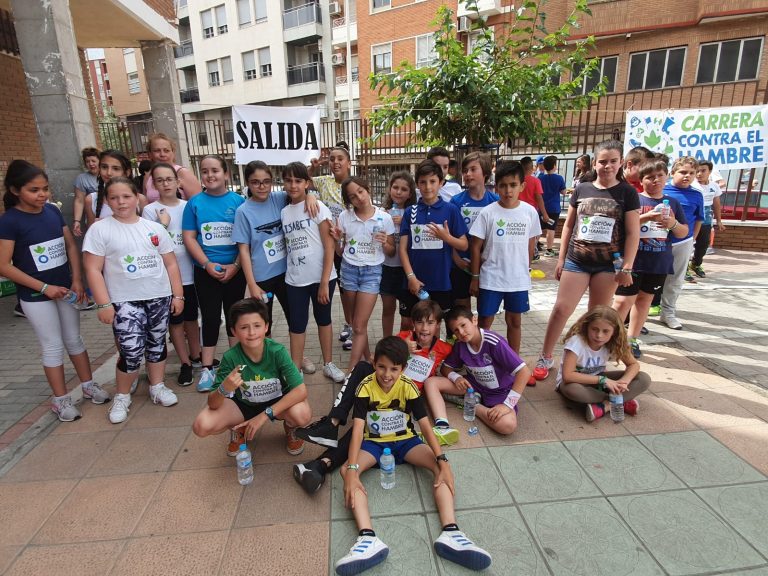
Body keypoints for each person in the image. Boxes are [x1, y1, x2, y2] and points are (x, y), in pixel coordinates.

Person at [335, 336, 492, 575]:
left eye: (394, 369)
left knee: (441, 470)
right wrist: (354, 469)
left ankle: (451, 533)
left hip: (406, 442)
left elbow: (425, 426)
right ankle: (367, 540)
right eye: (381, 367)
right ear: (374, 363)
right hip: (374, 444)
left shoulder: (408, 386)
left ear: (403, 369)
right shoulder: (365, 386)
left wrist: (443, 460)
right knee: (347, 471)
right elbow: (357, 429)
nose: (387, 375)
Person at [292, 299, 454, 494]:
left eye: (430, 323)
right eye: (420, 322)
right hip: (381, 389)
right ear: (413, 323)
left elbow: (449, 371)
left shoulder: (444, 349)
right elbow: (378, 359)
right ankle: (332, 424)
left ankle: (322, 462)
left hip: (403, 401)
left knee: (365, 428)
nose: (424, 328)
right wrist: (403, 347)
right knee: (362, 370)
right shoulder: (403, 337)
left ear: (437, 326)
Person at [0, 160, 109, 422]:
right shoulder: (10, 221)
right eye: (34, 190)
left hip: (66, 290)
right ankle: (60, 400)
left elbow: (70, 245)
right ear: (16, 190)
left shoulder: (51, 211)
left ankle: (88, 385)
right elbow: (3, 265)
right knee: (52, 345)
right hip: (36, 296)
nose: (42, 195)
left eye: (45, 188)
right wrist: (44, 288)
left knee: (74, 339)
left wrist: (77, 279)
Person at [534, 140, 640, 380]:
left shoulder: (627, 193)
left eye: (613, 161)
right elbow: (569, 224)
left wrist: (627, 267)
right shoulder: (582, 189)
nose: (607, 166)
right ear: (595, 162)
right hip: (577, 260)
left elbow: (634, 233)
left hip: (607, 264)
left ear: (620, 162)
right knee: (561, 309)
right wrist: (560, 259)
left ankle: (587, 362)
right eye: (602, 161)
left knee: (597, 316)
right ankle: (546, 355)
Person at [83, 177, 184, 424]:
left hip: (158, 297)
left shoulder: (154, 228)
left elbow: (170, 263)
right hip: (124, 301)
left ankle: (157, 386)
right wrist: (104, 303)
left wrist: (178, 294)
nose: (121, 202)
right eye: (114, 197)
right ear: (107, 200)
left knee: (157, 343)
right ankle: (122, 395)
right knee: (130, 349)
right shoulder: (99, 229)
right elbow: (93, 269)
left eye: (126, 196)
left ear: (137, 197)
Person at [192, 298, 312, 456]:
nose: (252, 333)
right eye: (244, 327)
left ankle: (290, 427)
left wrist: (264, 416)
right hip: (244, 405)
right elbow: (213, 404)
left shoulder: (277, 352)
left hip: (277, 403)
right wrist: (224, 388)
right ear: (234, 331)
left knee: (302, 415)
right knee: (202, 425)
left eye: (257, 326)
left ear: (266, 327)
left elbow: (300, 391)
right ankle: (239, 429)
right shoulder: (231, 358)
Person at [233, 160, 319, 374]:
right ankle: (268, 362)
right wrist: (251, 284)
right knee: (264, 322)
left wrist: (310, 195)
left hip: (288, 274)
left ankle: (298, 358)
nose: (261, 187)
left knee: (295, 319)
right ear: (248, 184)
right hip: (262, 278)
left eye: (266, 182)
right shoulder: (243, 211)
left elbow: (300, 191)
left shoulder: (279, 198)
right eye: (255, 182)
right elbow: (243, 250)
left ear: (272, 182)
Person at [182, 155, 246, 392]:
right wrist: (207, 264)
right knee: (209, 318)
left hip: (234, 272)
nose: (210, 175)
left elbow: (246, 240)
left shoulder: (239, 202)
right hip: (205, 272)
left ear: (226, 174)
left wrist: (236, 266)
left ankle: (236, 369)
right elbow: (189, 237)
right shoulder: (194, 203)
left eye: (215, 171)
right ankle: (207, 369)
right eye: (205, 171)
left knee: (234, 319)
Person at [612, 160, 688, 358]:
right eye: (650, 177)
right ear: (642, 179)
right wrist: (646, 217)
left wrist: (671, 223)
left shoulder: (673, 203)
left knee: (644, 301)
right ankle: (612, 339)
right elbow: (620, 226)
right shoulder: (634, 200)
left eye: (659, 176)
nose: (655, 180)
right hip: (632, 261)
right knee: (622, 302)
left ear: (666, 177)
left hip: (658, 262)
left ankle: (632, 339)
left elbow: (683, 232)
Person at [281, 162, 345, 383]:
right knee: (296, 325)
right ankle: (295, 368)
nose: (293, 185)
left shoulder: (318, 207)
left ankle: (328, 363)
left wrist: (324, 282)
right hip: (295, 279)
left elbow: (329, 247)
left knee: (324, 320)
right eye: (288, 180)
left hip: (322, 278)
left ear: (307, 183)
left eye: (298, 180)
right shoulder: (283, 211)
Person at [469, 160, 540, 354]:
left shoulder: (529, 212)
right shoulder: (488, 213)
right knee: (485, 321)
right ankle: (480, 361)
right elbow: (475, 247)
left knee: (514, 321)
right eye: (503, 185)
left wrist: (526, 270)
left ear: (522, 186)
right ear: (496, 186)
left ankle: (514, 363)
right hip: (491, 278)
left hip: (517, 280)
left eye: (513, 185)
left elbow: (530, 244)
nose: (508, 190)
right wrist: (475, 278)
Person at [424, 306, 529, 436]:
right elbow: (446, 368)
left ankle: (472, 405)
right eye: (456, 330)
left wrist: (507, 405)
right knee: (430, 383)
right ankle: (442, 424)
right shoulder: (460, 345)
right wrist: (456, 377)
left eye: (463, 325)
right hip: (472, 387)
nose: (461, 332)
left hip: (499, 392)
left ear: (474, 320)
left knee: (507, 426)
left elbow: (524, 372)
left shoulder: (493, 342)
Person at [142, 163, 202, 386]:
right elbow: (150, 243)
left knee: (192, 318)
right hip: (168, 278)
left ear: (178, 183)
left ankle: (196, 356)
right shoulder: (150, 210)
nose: (165, 183)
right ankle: (185, 362)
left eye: (169, 179)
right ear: (154, 185)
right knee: (175, 322)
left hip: (191, 272)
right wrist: (162, 225)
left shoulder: (189, 205)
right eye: (160, 180)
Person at [334, 176, 395, 373]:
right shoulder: (344, 217)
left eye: (360, 191)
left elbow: (391, 251)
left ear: (367, 189)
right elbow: (340, 252)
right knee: (357, 324)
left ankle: (352, 370)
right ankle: (367, 357)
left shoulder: (384, 217)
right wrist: (337, 241)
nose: (359, 198)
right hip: (349, 270)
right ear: (349, 200)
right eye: (353, 196)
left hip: (372, 272)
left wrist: (385, 242)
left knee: (359, 325)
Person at [399, 160, 468, 330]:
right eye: (423, 182)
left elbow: (464, 245)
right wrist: (411, 277)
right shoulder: (411, 212)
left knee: (433, 326)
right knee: (407, 324)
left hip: (440, 282)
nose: (428, 187)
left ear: (441, 183)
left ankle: (432, 357)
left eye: (432, 181)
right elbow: (402, 249)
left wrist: (446, 237)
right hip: (414, 282)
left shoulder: (450, 210)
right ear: (417, 184)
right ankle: (407, 357)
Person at [556, 306, 650, 422]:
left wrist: (623, 382)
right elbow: (568, 376)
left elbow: (633, 365)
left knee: (643, 378)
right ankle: (619, 401)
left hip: (600, 382)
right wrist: (603, 380)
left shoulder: (614, 341)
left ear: (614, 331)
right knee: (572, 390)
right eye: (594, 329)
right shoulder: (576, 342)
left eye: (606, 331)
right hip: (577, 382)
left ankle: (605, 406)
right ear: (587, 327)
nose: (599, 335)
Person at [310, 143, 354, 348]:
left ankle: (354, 326)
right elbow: (303, 182)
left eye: (340, 159)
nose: (335, 162)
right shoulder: (323, 181)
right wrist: (313, 170)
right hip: (327, 246)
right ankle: (348, 324)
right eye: (332, 159)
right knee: (336, 288)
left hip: (349, 247)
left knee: (349, 289)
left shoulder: (355, 185)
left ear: (349, 163)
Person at [658, 157, 704, 330]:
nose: (687, 176)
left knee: (676, 279)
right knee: (651, 277)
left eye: (691, 173)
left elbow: (699, 219)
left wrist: (692, 240)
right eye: (683, 172)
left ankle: (668, 313)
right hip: (659, 241)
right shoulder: (663, 190)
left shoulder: (697, 194)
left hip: (683, 242)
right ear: (672, 173)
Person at [449, 152, 498, 310]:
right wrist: (456, 259)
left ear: (485, 171)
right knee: (461, 311)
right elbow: (448, 235)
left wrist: (487, 258)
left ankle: (481, 336)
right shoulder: (456, 202)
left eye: (472, 169)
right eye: (465, 170)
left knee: (485, 313)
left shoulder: (495, 202)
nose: (467, 174)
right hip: (461, 264)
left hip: (486, 265)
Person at [379, 171, 416, 336]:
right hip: (386, 267)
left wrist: (406, 221)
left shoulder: (413, 213)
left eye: (404, 189)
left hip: (405, 269)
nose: (399, 192)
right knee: (388, 308)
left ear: (410, 193)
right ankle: (387, 342)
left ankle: (403, 344)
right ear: (389, 189)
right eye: (395, 187)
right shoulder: (382, 212)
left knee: (407, 315)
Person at [84, 150, 148, 226]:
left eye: (116, 168)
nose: (109, 173)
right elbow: (91, 234)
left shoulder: (140, 199)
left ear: (127, 172)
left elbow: (148, 232)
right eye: (104, 167)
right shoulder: (91, 199)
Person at [689, 160, 725, 278]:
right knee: (687, 243)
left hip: (706, 219)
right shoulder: (691, 185)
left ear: (710, 171)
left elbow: (716, 203)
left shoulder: (714, 186)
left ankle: (696, 264)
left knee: (703, 244)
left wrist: (719, 221)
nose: (699, 174)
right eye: (697, 171)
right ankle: (683, 269)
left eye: (703, 170)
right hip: (692, 218)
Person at [143, 132, 202, 201]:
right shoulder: (148, 176)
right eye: (157, 151)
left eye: (166, 150)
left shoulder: (183, 173)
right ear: (150, 154)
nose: (162, 154)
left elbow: (198, 204)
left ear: (173, 153)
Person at [519, 156, 551, 260]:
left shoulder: (517, 181)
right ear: (532, 167)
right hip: (531, 213)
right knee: (532, 236)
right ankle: (531, 255)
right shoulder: (535, 181)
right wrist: (545, 214)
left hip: (517, 211)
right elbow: (539, 198)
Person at [537, 155, 566, 256]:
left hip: (542, 207)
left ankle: (534, 247)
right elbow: (563, 192)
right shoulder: (559, 178)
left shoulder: (540, 178)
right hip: (554, 208)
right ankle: (549, 250)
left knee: (538, 228)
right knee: (551, 229)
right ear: (554, 166)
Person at [72, 147, 100, 237]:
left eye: (93, 161)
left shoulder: (107, 174)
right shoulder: (82, 178)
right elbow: (79, 201)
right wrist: (77, 221)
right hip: (93, 217)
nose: (91, 164)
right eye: (87, 161)